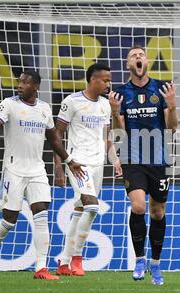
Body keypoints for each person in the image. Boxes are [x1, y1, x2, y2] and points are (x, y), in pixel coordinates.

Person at [0, 70, 83, 281]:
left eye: (25, 82)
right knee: (9, 220)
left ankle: (41, 268)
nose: (20, 85)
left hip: (37, 170)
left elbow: (54, 140)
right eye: (19, 82)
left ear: (35, 87)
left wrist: (68, 161)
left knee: (41, 214)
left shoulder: (44, 109)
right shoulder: (9, 104)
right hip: (14, 170)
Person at [108, 46, 178, 285]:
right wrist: (116, 113)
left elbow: (172, 129)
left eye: (141, 55)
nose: (138, 58)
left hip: (159, 159)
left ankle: (155, 265)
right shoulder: (119, 94)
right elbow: (118, 133)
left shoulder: (161, 88)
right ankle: (139, 259)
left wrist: (172, 105)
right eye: (133, 56)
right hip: (132, 158)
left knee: (157, 212)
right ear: (128, 65)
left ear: (147, 62)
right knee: (138, 206)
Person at [54, 63, 122, 277]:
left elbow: (107, 138)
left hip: (97, 164)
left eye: (109, 80)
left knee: (80, 209)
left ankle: (63, 261)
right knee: (92, 207)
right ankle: (77, 257)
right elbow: (56, 136)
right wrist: (59, 167)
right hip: (77, 163)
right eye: (105, 80)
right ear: (93, 80)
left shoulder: (104, 105)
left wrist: (115, 161)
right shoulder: (71, 102)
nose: (108, 84)